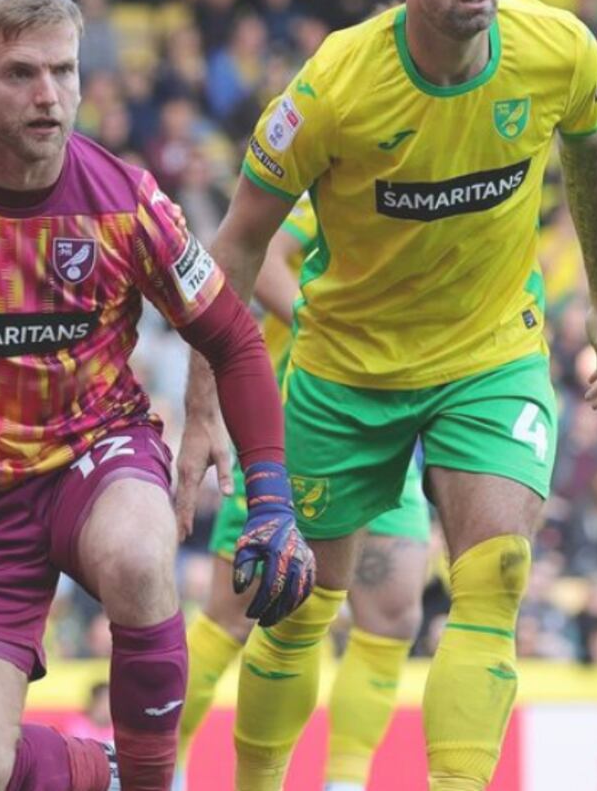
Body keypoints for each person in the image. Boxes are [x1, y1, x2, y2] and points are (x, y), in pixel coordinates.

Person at [175, 0, 597, 791]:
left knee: (492, 579)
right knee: (291, 605)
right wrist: (201, 409)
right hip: (346, 372)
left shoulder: (557, 49)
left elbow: (593, 147)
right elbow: (231, 247)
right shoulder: (335, 88)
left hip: (490, 354)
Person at [0, 0, 315, 791]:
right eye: (21, 74)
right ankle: (107, 773)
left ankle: (154, 780)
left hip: (96, 454)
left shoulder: (128, 203)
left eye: (65, 71)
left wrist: (273, 497)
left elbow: (234, 336)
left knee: (140, 553)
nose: (50, 95)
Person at [176, 196, 429, 791]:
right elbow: (259, 262)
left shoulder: (433, 198)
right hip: (297, 424)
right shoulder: (338, 188)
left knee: (393, 613)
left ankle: (344, 781)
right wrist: (332, 336)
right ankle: (153, 762)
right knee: (235, 616)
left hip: (387, 425)